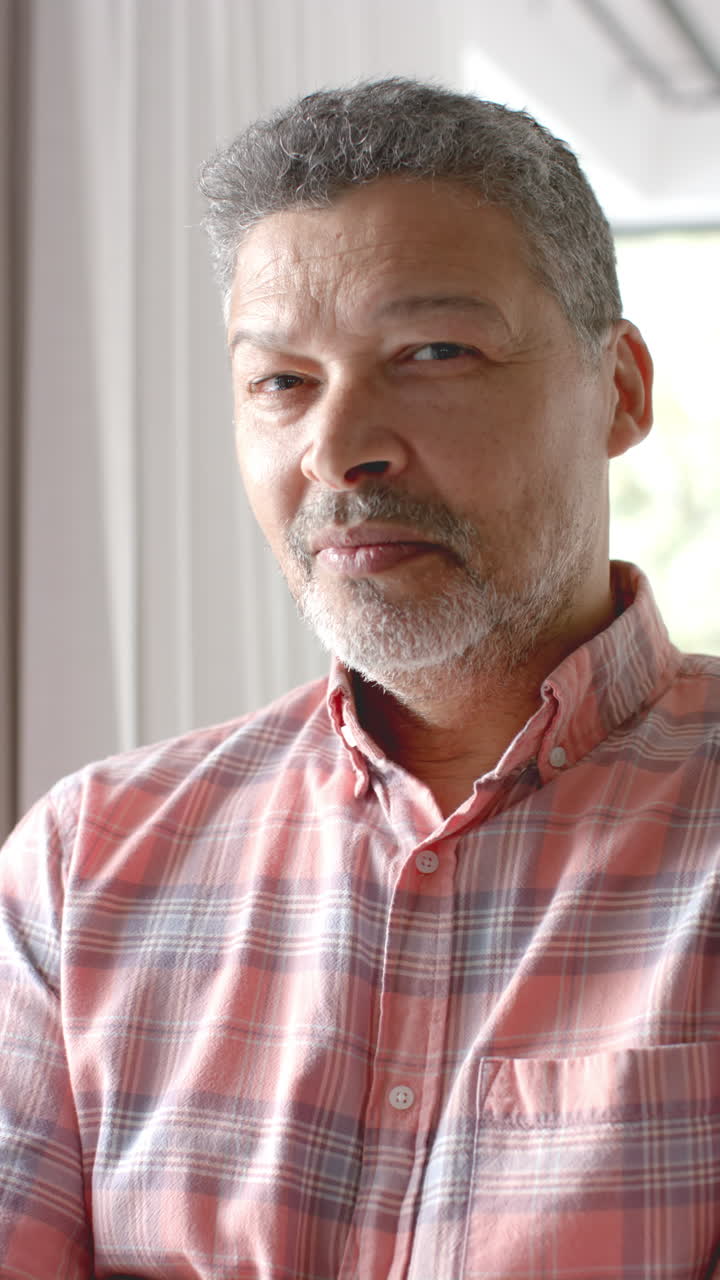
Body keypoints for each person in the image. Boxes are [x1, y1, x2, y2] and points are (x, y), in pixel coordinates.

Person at [1, 78, 718, 1280]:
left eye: (434, 350)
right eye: (281, 381)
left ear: (623, 388)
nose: (340, 447)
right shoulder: (83, 867)